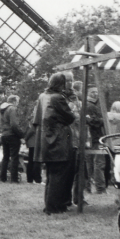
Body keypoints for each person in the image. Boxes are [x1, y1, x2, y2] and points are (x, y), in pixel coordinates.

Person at [33, 72, 77, 213]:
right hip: (58, 140)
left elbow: (36, 120)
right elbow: (70, 117)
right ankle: (54, 207)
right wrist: (73, 113)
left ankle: (53, 205)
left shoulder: (42, 96)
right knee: (59, 174)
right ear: (60, 84)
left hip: (45, 140)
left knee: (52, 174)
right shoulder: (58, 98)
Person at [83, 86, 107, 194]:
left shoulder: (91, 105)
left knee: (90, 163)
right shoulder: (90, 106)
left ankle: (87, 188)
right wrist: (104, 120)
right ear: (87, 93)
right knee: (98, 163)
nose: (95, 94)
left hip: (91, 138)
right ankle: (100, 188)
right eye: (93, 92)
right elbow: (92, 121)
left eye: (97, 92)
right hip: (94, 138)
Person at [0, 95, 24, 183]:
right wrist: (21, 135)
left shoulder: (2, 109)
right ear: (14, 101)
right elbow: (14, 125)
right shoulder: (12, 109)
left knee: (5, 157)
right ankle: (14, 179)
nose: (18, 104)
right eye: (17, 102)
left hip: (4, 135)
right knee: (14, 157)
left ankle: (2, 178)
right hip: (12, 135)